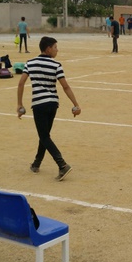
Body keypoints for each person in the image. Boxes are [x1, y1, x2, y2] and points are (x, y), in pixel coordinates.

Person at [16, 36, 81, 181]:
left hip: (39, 104)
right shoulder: (56, 65)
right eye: (55, 47)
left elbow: (21, 84)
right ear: (48, 49)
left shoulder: (30, 63)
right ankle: (36, 163)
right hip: (53, 103)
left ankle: (62, 164)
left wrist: (19, 104)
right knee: (44, 135)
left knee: (44, 136)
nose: (57, 50)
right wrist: (75, 104)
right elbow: (65, 86)